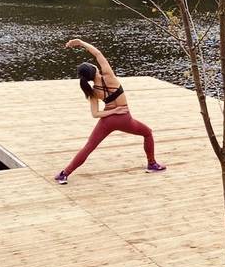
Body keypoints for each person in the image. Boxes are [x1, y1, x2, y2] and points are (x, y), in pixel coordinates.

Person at [54, 38, 166, 184]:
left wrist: (112, 112)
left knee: (89, 147)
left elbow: (95, 114)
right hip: (125, 119)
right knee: (147, 133)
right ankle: (151, 164)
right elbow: (98, 53)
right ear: (94, 69)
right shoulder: (109, 75)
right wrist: (81, 43)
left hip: (107, 121)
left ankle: (64, 174)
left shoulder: (93, 91)